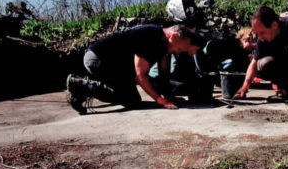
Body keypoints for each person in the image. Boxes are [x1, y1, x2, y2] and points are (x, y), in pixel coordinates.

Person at [66, 24, 204, 114]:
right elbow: (140, 76)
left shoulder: (165, 46)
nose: (179, 52)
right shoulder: (151, 37)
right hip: (98, 59)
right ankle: (80, 86)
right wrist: (160, 100)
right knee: (131, 101)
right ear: (174, 37)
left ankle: (85, 91)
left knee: (131, 98)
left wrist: (169, 97)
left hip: (116, 64)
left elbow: (163, 75)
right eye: (180, 48)